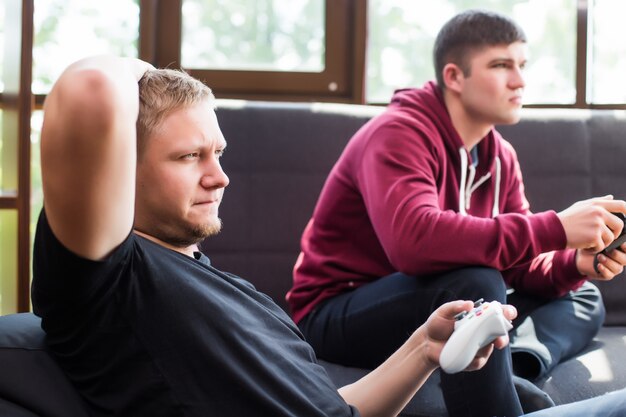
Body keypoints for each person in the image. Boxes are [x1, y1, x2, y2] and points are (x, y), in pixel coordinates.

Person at [31, 54, 516, 417]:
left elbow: (332, 409)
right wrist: (150, 75)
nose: (219, 176)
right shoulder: (110, 274)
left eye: (217, 152)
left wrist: (423, 350)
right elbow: (91, 87)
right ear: (122, 171)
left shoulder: (232, 291)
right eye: (188, 156)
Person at [287, 9, 626, 417]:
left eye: (522, 65)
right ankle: (500, 398)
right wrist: (555, 227)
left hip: (439, 303)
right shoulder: (397, 133)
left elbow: (519, 267)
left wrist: (575, 263)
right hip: (339, 311)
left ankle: (513, 363)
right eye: (501, 65)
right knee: (474, 284)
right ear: (454, 76)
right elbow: (414, 242)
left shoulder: (500, 156)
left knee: (582, 293)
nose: (519, 80)